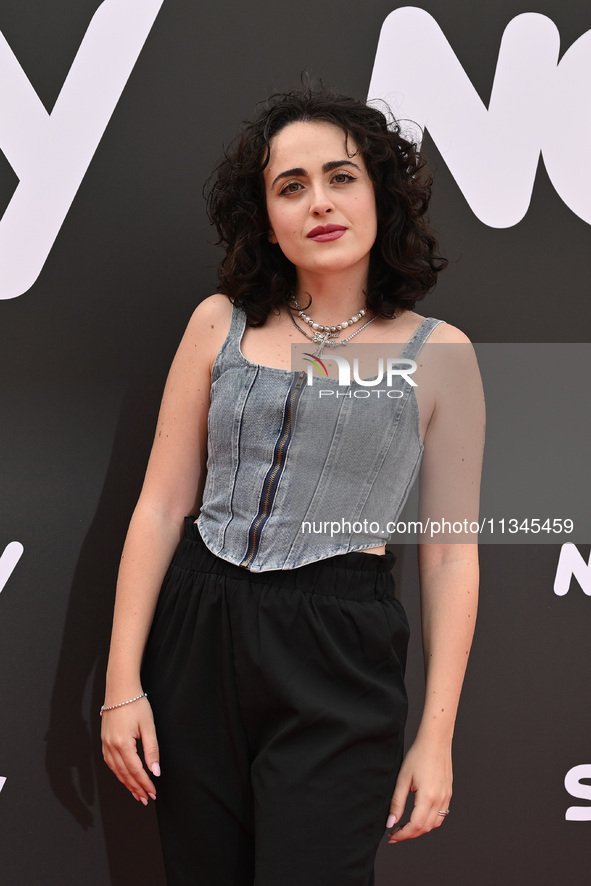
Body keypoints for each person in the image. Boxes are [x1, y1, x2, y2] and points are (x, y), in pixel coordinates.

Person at [101, 84, 485, 886]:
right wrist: (121, 686)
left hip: (338, 651)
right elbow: (162, 505)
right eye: (291, 186)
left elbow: (450, 556)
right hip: (197, 635)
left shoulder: (441, 353)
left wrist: (436, 737)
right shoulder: (219, 322)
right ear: (266, 219)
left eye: (341, 177)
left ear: (381, 194)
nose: (319, 202)